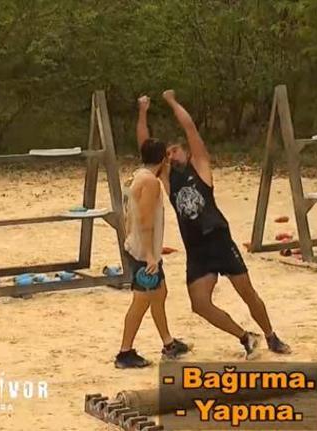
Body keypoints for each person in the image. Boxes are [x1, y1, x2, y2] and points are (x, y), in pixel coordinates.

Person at [136, 92, 291, 359]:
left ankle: (271, 335)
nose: (171, 155)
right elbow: (145, 149)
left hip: (218, 239)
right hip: (197, 249)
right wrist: (143, 112)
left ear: (186, 151)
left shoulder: (200, 167)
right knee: (199, 304)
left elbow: (190, 129)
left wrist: (172, 102)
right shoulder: (168, 179)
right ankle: (246, 338)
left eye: (175, 150)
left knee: (247, 292)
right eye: (167, 153)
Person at [115, 135, 190, 368]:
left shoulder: (136, 176)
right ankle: (124, 352)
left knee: (160, 293)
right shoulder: (150, 182)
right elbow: (146, 221)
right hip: (143, 251)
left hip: (137, 245)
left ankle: (168, 343)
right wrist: (149, 256)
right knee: (141, 301)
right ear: (163, 159)